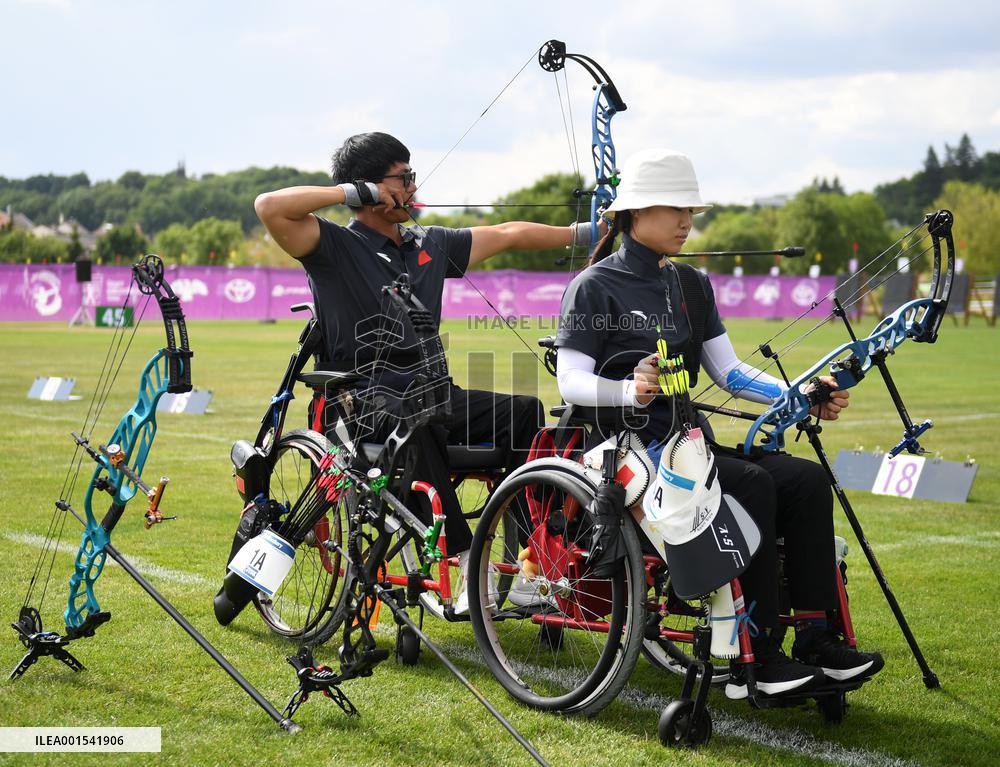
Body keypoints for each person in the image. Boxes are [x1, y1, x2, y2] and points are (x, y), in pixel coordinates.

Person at [553, 148, 884, 699]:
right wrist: (626, 390)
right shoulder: (594, 286)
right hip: (625, 453)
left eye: (691, 211)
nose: (686, 221)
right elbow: (570, 380)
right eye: (673, 209)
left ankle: (816, 639)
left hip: (688, 448)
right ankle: (758, 655)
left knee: (805, 480)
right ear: (635, 213)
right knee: (752, 483)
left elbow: (729, 372)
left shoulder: (691, 284)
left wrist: (799, 392)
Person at [255, 131, 596, 612]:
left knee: (523, 413)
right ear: (369, 187)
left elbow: (507, 234)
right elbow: (270, 206)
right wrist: (351, 194)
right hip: (360, 405)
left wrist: (589, 233)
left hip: (431, 395)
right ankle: (462, 562)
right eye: (404, 177)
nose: (414, 186)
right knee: (415, 421)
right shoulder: (331, 245)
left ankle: (531, 564)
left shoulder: (428, 244)